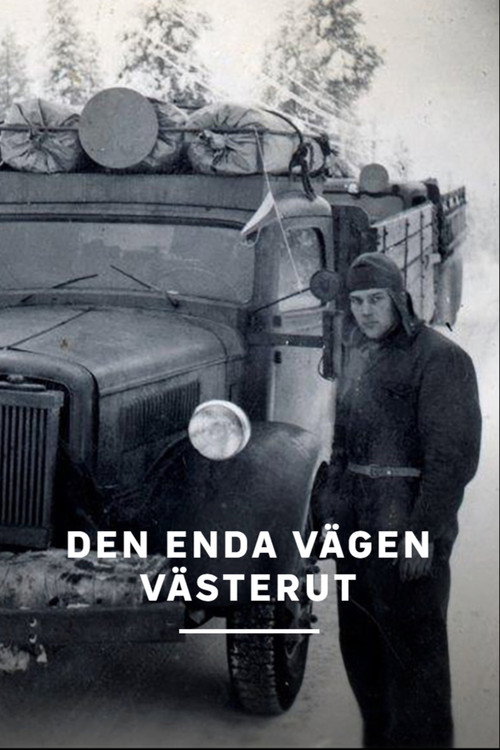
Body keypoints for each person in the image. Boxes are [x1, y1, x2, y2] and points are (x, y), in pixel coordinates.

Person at [315, 252, 481, 748]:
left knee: (414, 667)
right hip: (357, 526)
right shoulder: (357, 353)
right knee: (363, 656)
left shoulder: (440, 358)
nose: (365, 311)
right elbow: (341, 445)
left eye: (376, 299)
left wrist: (422, 535)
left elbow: (452, 460)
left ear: (399, 299)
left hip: (405, 522)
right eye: (356, 301)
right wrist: (331, 510)